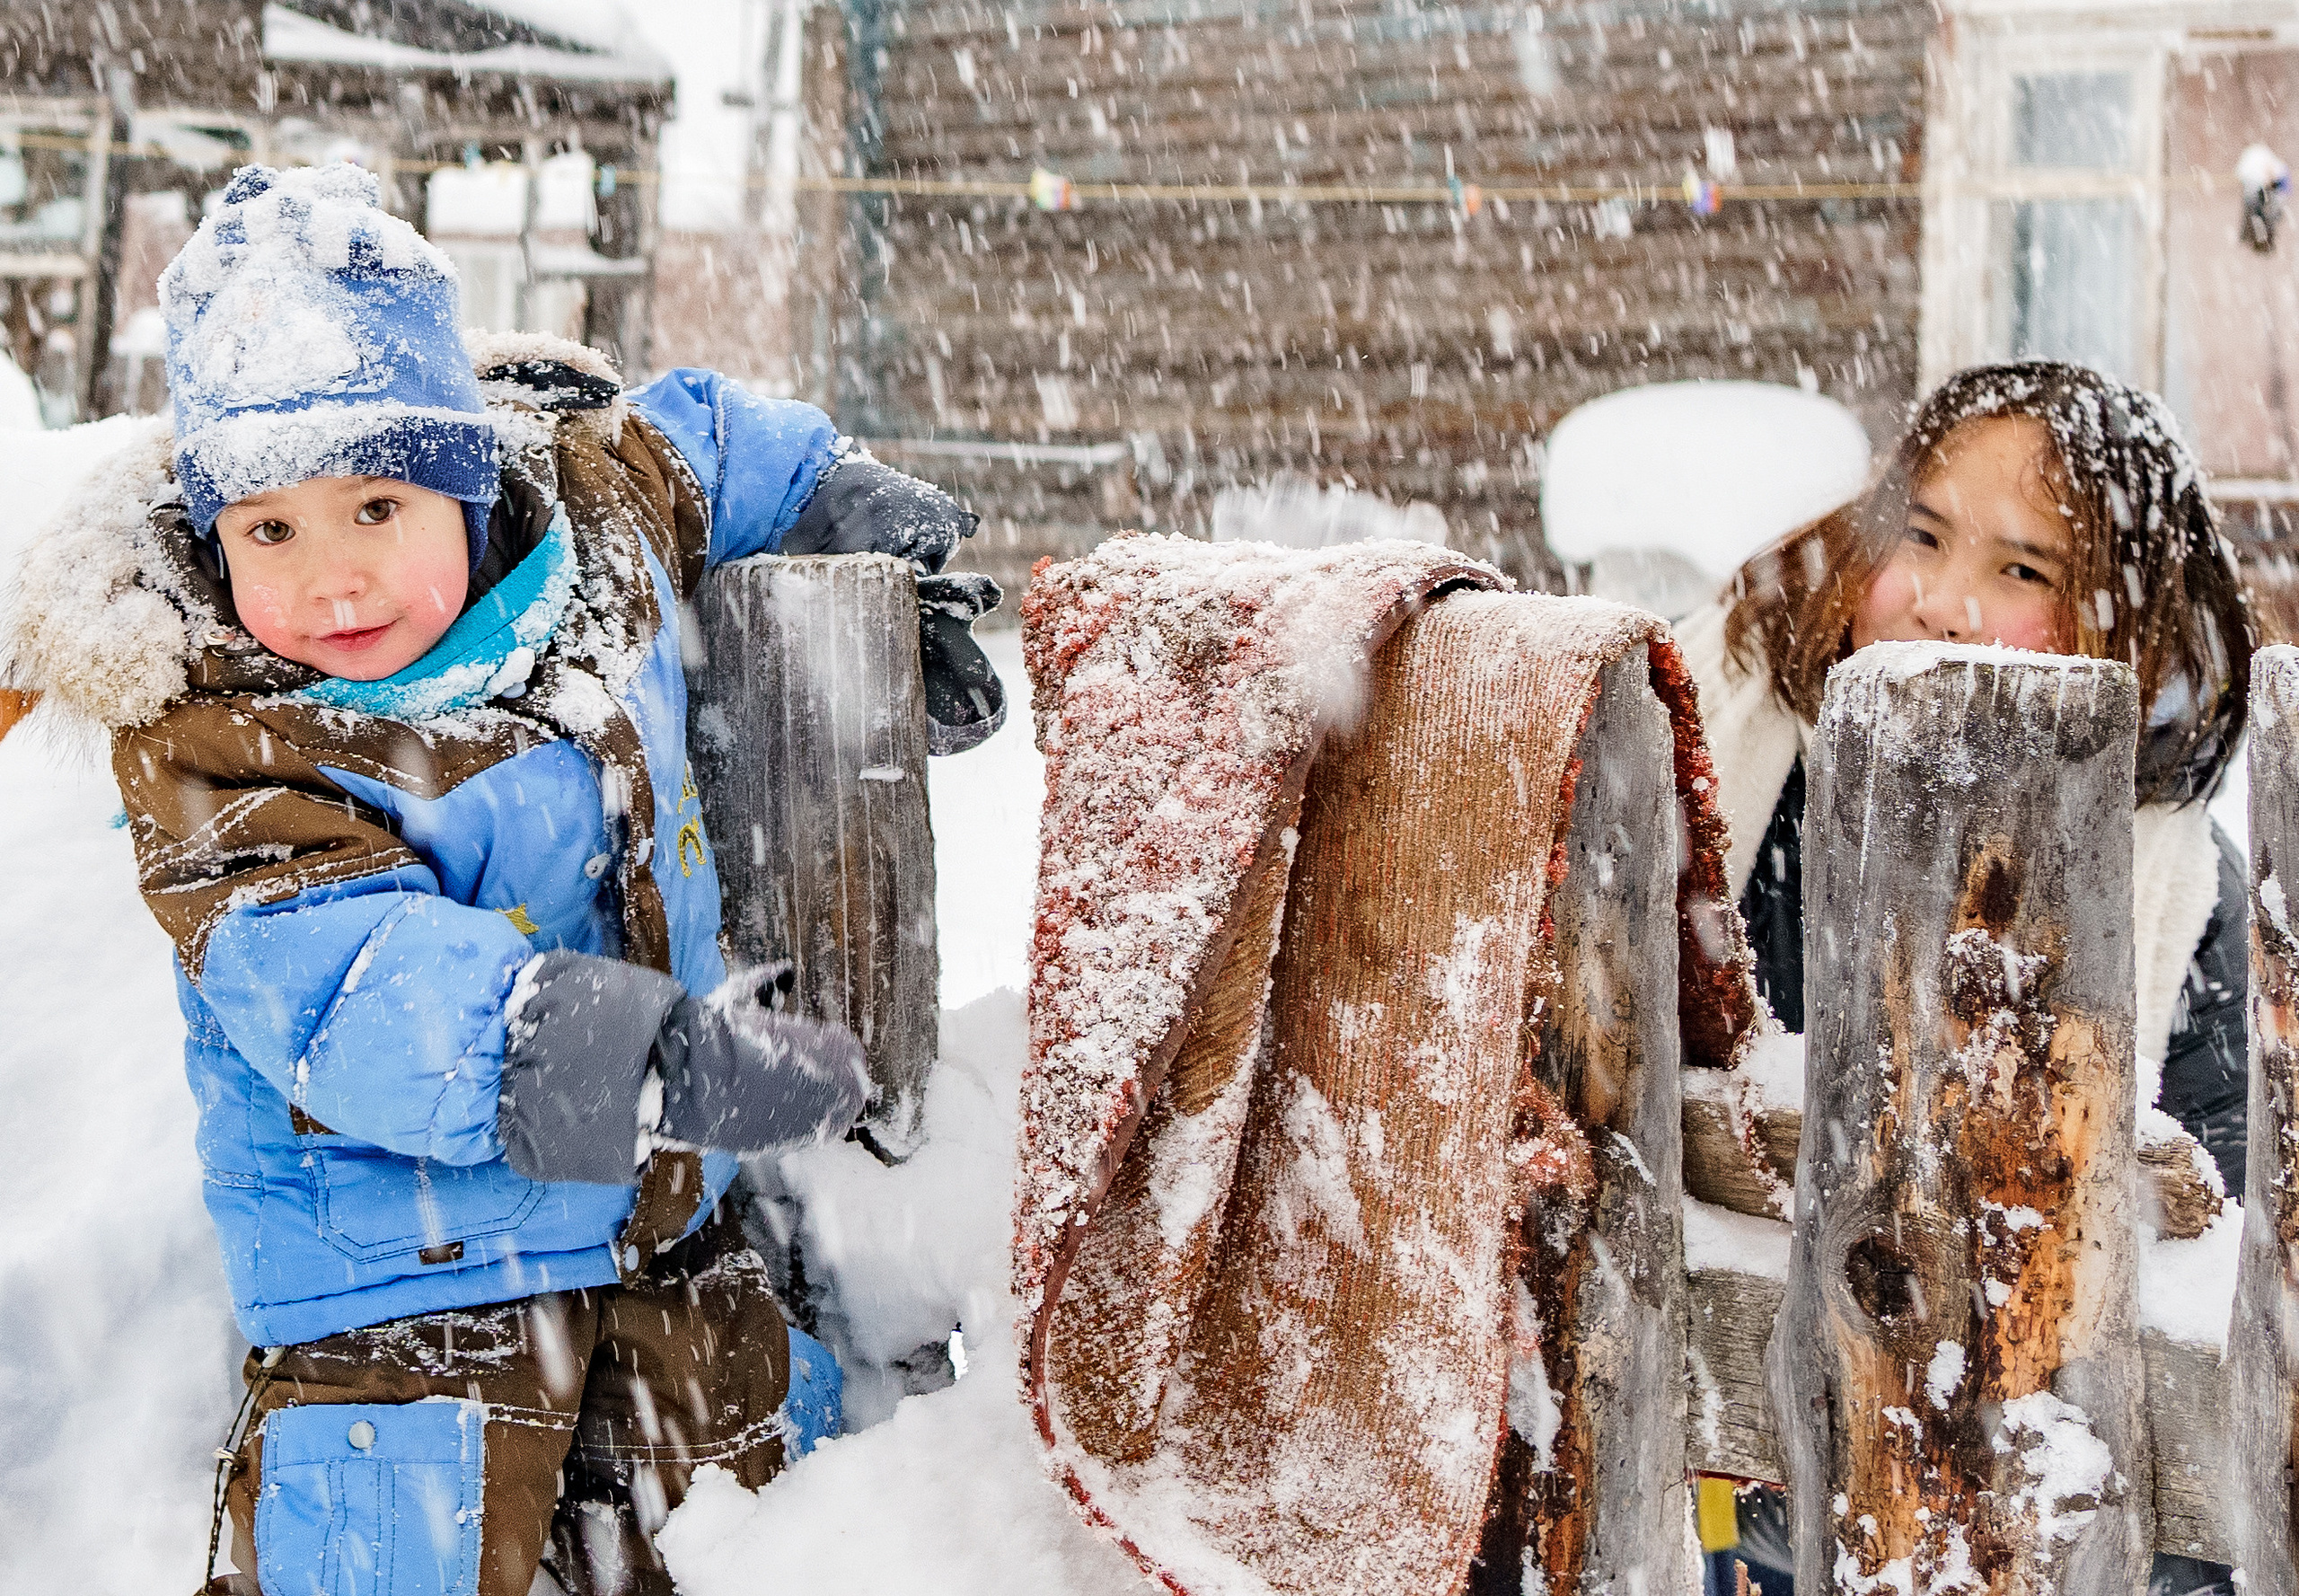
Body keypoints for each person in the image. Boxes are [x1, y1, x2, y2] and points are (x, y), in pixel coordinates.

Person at [4, 163, 1003, 1596]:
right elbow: (361, 995)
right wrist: (649, 1062)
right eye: (269, 531)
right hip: (402, 1323)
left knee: (778, 1534)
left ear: (466, 477)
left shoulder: (592, 534)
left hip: (672, 1256)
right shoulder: (223, 744)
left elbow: (703, 435)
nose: (332, 582)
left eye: (375, 507)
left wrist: (845, 511)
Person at [1677, 361, 2254, 1596]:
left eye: (2024, 568)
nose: (1941, 601)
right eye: (1924, 535)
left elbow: (2206, 1351)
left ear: (2129, 623)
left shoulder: (2183, 919)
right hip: (1713, 1496)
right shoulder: (1723, 783)